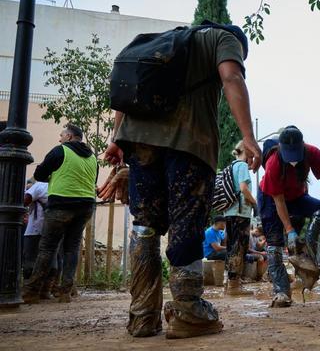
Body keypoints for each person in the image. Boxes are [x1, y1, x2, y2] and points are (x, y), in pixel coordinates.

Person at [101, 22, 261, 339]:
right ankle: (188, 311)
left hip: (139, 140)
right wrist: (248, 136)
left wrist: (117, 138)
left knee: (144, 225)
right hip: (189, 140)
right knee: (186, 221)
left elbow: (124, 92)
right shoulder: (224, 38)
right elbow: (231, 77)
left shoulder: (164, 40)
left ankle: (142, 315)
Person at [258, 125, 320, 307]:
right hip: (271, 200)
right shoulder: (273, 164)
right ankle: (281, 292)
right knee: (274, 244)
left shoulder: (313, 153)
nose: (293, 161)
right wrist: (289, 230)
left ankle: (309, 254)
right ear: (281, 148)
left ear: (303, 145)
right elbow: (279, 202)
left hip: (296, 196)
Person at [22, 124, 97, 304]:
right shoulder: (93, 157)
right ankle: (65, 292)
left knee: (47, 248)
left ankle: (32, 291)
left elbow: (40, 175)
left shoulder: (60, 151)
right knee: (71, 249)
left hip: (61, 206)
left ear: (70, 137)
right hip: (85, 207)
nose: (59, 138)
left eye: (62, 135)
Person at [222, 140, 257, 295]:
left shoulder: (230, 166)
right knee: (239, 248)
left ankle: (228, 282)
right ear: (246, 150)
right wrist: (255, 202)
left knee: (231, 248)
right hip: (240, 213)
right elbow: (243, 188)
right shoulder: (242, 166)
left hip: (229, 213)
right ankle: (234, 286)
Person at [22, 180, 51, 295]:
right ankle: (46, 291)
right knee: (51, 259)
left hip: (34, 229)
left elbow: (24, 201)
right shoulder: (61, 187)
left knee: (30, 260)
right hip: (53, 230)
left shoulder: (40, 186)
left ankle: (29, 291)